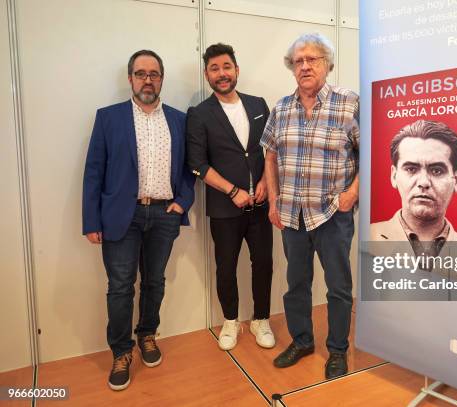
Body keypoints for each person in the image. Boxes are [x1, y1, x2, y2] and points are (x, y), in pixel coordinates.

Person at [82, 50, 194, 391]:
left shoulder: (178, 119)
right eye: (141, 73)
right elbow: (94, 171)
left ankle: (147, 334)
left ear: (161, 79)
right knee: (119, 287)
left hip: (163, 214)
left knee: (155, 282)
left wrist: (181, 203)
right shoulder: (108, 118)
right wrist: (91, 220)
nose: (148, 79)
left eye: (154, 74)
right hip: (121, 215)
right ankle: (121, 351)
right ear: (130, 78)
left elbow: (190, 169)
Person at [260, 33, 359, 379]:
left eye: (312, 59)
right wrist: (273, 201)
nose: (305, 66)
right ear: (292, 68)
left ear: (327, 64)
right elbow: (270, 155)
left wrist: (353, 193)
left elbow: (373, 153)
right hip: (291, 215)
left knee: (338, 287)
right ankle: (302, 341)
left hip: (333, 214)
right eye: (299, 61)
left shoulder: (349, 103)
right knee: (296, 284)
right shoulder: (282, 108)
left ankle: (337, 350)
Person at [186, 43, 274, 351]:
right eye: (214, 68)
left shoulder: (258, 103)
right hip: (225, 207)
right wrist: (233, 191)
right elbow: (197, 163)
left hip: (261, 205)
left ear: (236, 70)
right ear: (207, 74)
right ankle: (231, 321)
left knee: (263, 262)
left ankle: (261, 319)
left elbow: (269, 150)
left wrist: (266, 181)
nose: (221, 74)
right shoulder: (199, 114)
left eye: (226, 67)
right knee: (226, 266)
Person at [370, 120, 457, 246]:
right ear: (394, 176)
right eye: (411, 169)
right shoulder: (366, 238)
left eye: (437, 171)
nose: (423, 182)